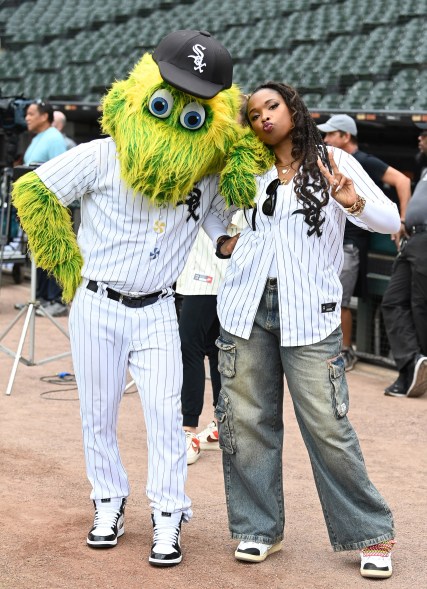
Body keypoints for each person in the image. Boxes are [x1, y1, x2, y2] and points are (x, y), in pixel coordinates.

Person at [12, 30, 243, 567]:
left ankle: (168, 513)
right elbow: (35, 189)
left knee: (165, 414)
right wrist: (64, 264)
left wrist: (250, 205)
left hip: (160, 306)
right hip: (97, 302)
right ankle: (108, 500)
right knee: (97, 413)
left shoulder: (203, 176)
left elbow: (224, 238)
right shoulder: (103, 154)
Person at [214, 82, 399, 578]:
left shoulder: (333, 161)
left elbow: (389, 219)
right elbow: (211, 209)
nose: (263, 119)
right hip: (244, 308)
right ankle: (258, 530)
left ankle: (370, 533)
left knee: (327, 426)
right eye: (253, 114)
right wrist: (223, 241)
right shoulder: (245, 166)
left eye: (271, 107)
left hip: (309, 312)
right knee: (248, 423)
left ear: (292, 108)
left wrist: (351, 201)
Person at [317, 114, 411, 370]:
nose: (325, 139)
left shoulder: (363, 160)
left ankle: (346, 351)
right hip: (332, 242)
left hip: (351, 243)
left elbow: (402, 181)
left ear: (346, 136)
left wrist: (402, 220)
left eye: (331, 134)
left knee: (340, 300)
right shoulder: (326, 159)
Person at [177, 213, 247, 465]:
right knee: (216, 352)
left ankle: (188, 430)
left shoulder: (227, 183)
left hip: (210, 280)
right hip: (209, 278)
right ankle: (220, 425)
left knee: (192, 350)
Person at [19, 100, 68, 317]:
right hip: (34, 207)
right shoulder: (38, 138)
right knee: (38, 255)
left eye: (30, 114)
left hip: (49, 207)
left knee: (52, 253)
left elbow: (60, 172)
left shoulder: (54, 138)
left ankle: (55, 299)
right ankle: (38, 298)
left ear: (44, 116)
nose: (26, 118)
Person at [381, 167, 427, 397]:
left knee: (421, 306)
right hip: (414, 238)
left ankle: (413, 372)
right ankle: (412, 362)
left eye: (424, 134)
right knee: (392, 302)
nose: (420, 138)